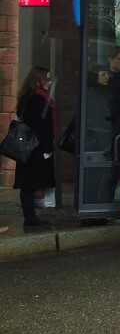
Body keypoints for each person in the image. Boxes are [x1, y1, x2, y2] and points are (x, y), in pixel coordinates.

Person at [13, 66, 58, 229]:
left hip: (26, 146)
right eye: (46, 78)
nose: (50, 82)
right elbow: (42, 126)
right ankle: (31, 219)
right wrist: (48, 147)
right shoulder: (38, 100)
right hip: (35, 149)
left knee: (27, 185)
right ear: (37, 79)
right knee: (29, 185)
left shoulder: (27, 96)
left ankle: (30, 218)